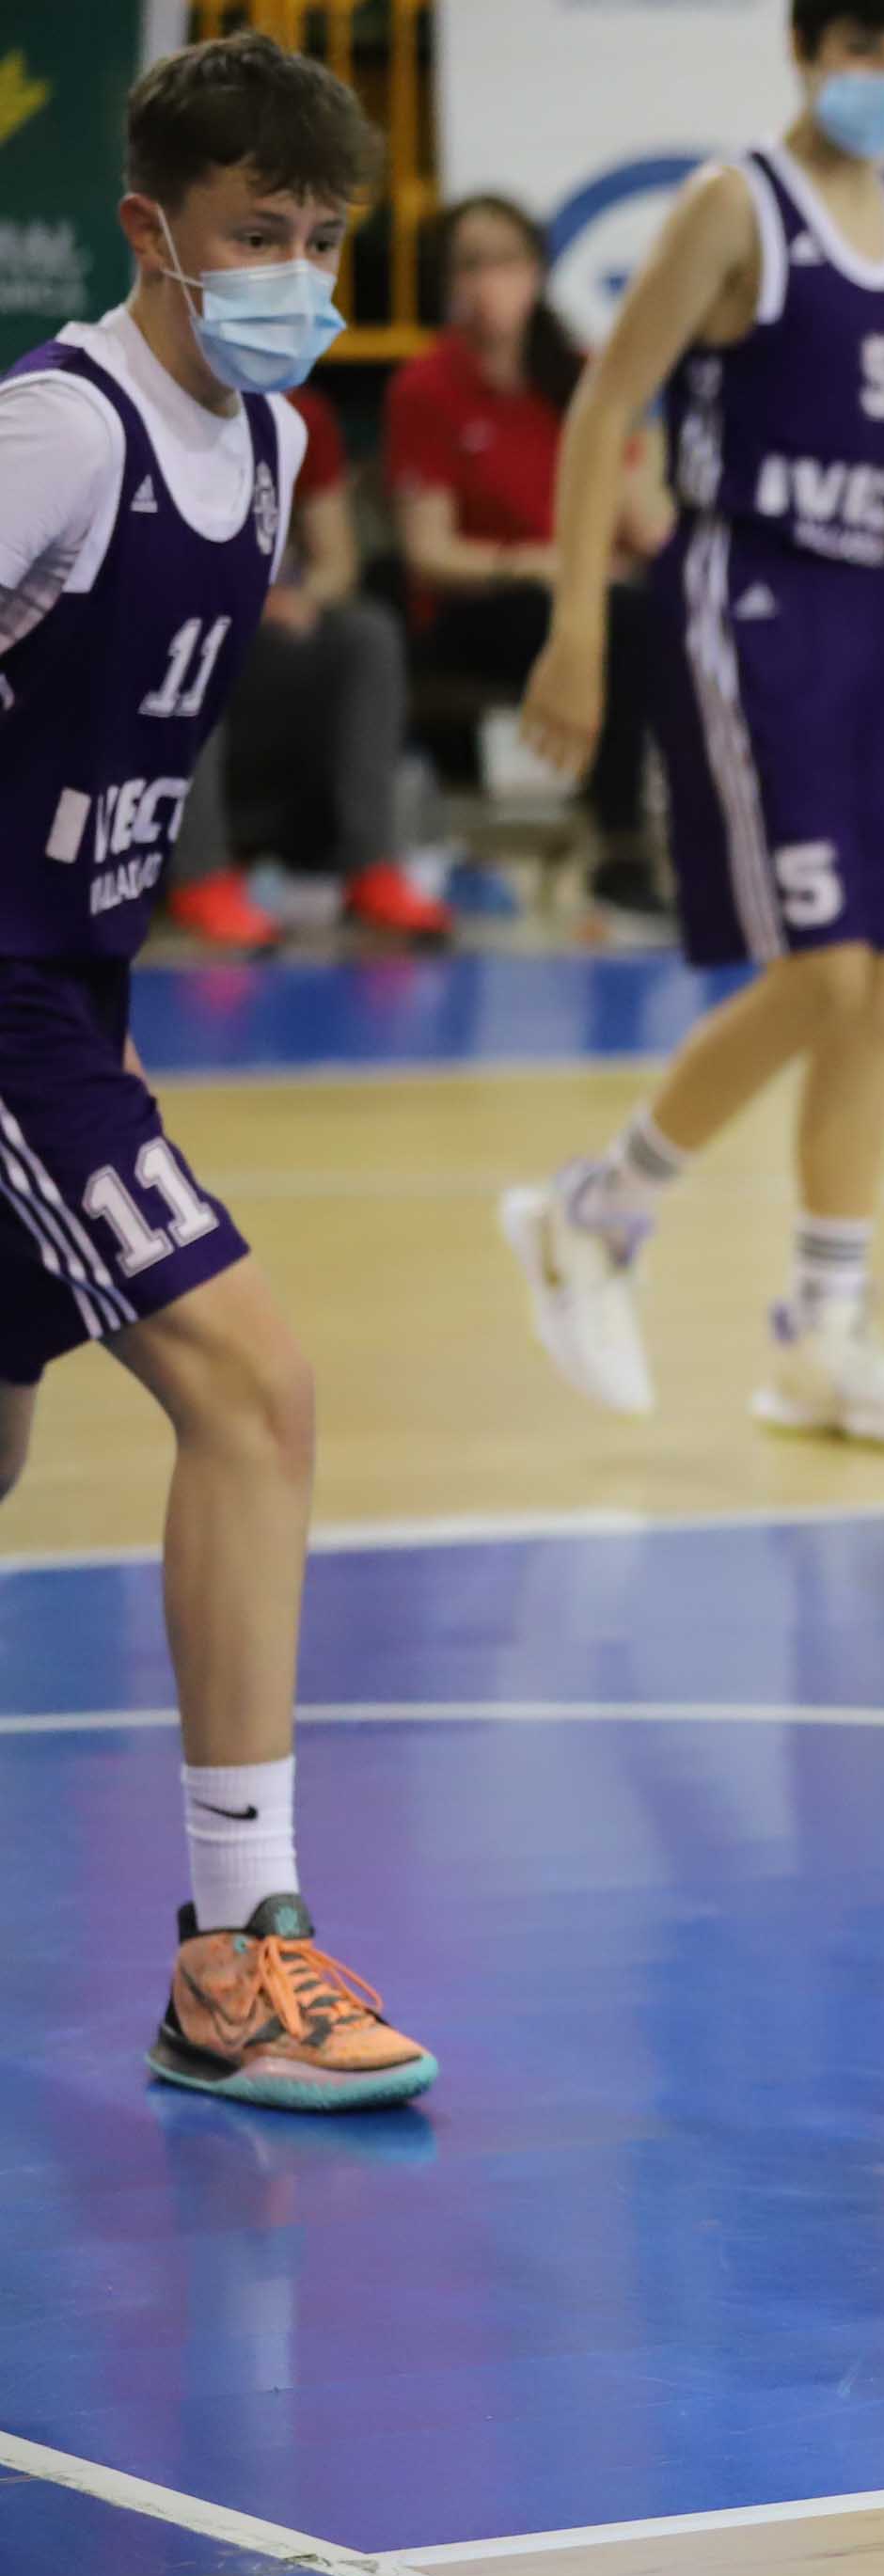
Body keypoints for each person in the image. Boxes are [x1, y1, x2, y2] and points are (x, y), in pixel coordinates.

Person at [0, 32, 436, 2110]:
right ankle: (239, 1948)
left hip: (69, 997)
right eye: (259, 235)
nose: (297, 272)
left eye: (325, 238)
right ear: (152, 233)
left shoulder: (265, 446)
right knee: (255, 1383)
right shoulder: (58, 438)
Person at [499, 0, 884, 1446]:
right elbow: (605, 408)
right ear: (807, 50)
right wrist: (579, 631)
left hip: (862, 599)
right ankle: (595, 1211)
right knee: (823, 971)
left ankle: (823, 1334)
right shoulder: (738, 204)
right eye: (866, 49)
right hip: (744, 591)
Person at [387, 195, 671, 930]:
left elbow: (646, 521)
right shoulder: (426, 390)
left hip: (594, 596)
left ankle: (739, 834)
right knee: (624, 623)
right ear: (445, 282)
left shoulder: (582, 376)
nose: (491, 281)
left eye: (507, 260)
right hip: (482, 607)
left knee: (681, 609)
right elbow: (432, 554)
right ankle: (624, 852)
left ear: (538, 271)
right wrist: (545, 564)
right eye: (471, 264)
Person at [161, 379, 458, 950]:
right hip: (167, 650)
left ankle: (371, 865)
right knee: (190, 630)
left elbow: (337, 561)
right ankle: (199, 874)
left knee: (367, 634)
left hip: (263, 648)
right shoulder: (140, 406)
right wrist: (241, 598)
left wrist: (300, 598)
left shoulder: (302, 416)